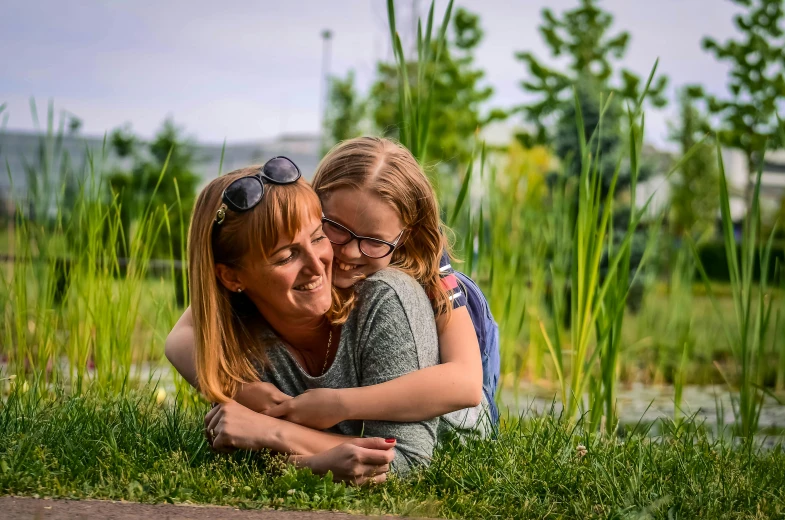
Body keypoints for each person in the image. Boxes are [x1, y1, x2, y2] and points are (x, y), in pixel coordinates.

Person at [168, 138, 500, 433]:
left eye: (372, 240)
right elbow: (180, 339)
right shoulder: (304, 240)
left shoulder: (429, 265)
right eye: (335, 228)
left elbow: (465, 384)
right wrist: (239, 390)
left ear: (404, 236)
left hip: (460, 367)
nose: (348, 252)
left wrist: (342, 405)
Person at [177, 157, 443, 482]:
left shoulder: (385, 298)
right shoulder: (240, 341)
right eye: (287, 255)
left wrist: (275, 433)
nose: (318, 267)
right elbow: (246, 449)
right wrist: (314, 456)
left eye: (318, 237)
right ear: (231, 277)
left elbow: (406, 460)